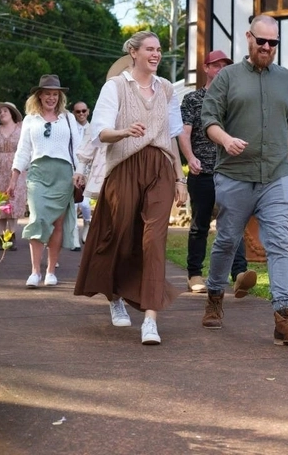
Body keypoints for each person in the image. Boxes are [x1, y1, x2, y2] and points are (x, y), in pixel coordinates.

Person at [199, 15, 288, 346]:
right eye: (261, 41)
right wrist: (225, 140)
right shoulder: (227, 78)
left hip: (276, 176)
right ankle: (215, 296)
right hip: (235, 176)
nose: (267, 47)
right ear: (249, 37)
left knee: (280, 243)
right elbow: (208, 120)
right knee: (226, 241)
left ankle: (284, 318)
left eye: (273, 43)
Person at [73, 31, 187, 346]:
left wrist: (180, 179)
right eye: (150, 49)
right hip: (124, 167)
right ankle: (114, 295)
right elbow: (101, 132)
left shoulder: (166, 89)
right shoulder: (116, 88)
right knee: (118, 235)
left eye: (159, 50)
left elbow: (172, 137)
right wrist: (124, 131)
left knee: (154, 239)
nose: (156, 54)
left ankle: (150, 319)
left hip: (160, 168)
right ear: (133, 52)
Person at [179, 49, 254, 296]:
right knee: (200, 225)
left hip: (231, 172)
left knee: (233, 223)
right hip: (203, 172)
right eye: (216, 65)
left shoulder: (233, 99)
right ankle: (194, 275)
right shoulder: (192, 99)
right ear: (206, 68)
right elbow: (184, 132)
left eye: (225, 66)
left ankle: (239, 275)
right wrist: (190, 159)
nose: (221, 69)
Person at [9, 75, 84, 289]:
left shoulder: (68, 118)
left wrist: (80, 172)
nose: (51, 97)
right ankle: (35, 272)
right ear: (39, 95)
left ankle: (51, 270)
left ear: (59, 96)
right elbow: (23, 150)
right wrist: (13, 179)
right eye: (47, 93)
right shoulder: (30, 120)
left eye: (55, 94)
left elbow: (78, 149)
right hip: (38, 174)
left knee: (57, 224)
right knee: (38, 218)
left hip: (63, 174)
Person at [0, 102, 27, 250]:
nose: (2, 114)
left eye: (5, 111)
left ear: (12, 113)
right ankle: (0, 237)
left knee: (14, 201)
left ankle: (12, 235)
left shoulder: (21, 128)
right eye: (0, 112)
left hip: (16, 168)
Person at [70, 101, 92, 250]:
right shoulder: (71, 129)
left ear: (88, 111)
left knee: (84, 203)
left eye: (83, 111)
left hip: (90, 170)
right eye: (78, 112)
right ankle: (73, 237)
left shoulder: (93, 128)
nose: (81, 114)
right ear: (74, 113)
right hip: (73, 168)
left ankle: (87, 223)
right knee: (73, 204)